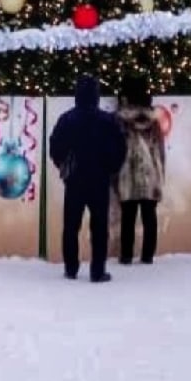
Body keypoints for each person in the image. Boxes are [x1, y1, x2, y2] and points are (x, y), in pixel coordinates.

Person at [48, 73, 126, 283]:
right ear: (96, 95)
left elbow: (55, 146)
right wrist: (111, 169)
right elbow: (120, 148)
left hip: (74, 180)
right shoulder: (107, 120)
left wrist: (63, 166)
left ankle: (71, 268)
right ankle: (97, 270)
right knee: (99, 227)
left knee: (71, 226)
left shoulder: (67, 119)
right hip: (99, 179)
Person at [116, 77, 167, 265]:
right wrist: (161, 178)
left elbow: (116, 149)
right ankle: (147, 255)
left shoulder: (121, 121)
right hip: (150, 176)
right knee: (149, 217)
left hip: (126, 176)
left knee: (127, 218)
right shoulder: (153, 123)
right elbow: (161, 153)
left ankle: (126, 255)